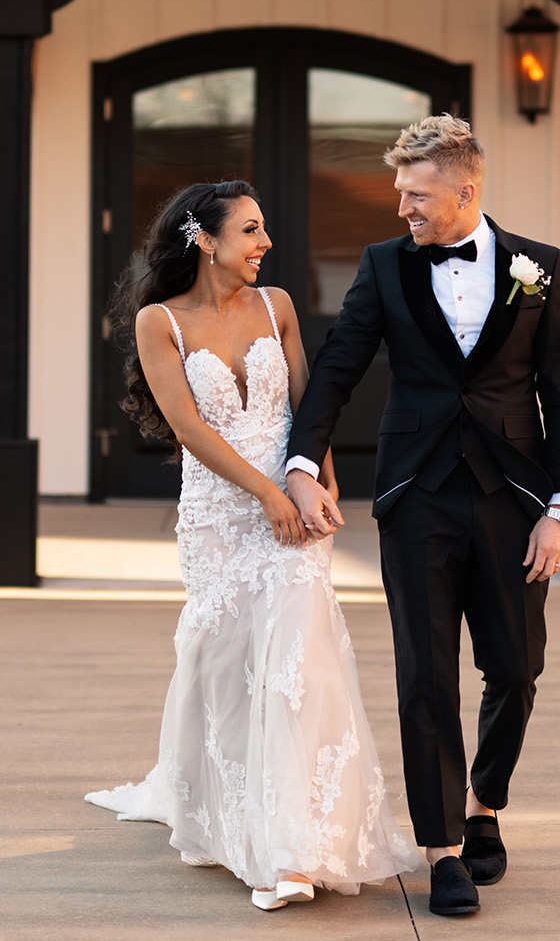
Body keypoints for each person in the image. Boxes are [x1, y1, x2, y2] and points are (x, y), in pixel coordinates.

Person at [86, 180, 420, 911]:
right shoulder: (159, 324)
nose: (265, 243)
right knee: (229, 663)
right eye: (250, 230)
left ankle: (293, 853)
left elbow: (310, 407)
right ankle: (234, 818)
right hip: (219, 515)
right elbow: (190, 430)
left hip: (292, 510)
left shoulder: (280, 308)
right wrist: (264, 494)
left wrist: (315, 487)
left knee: (297, 669)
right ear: (204, 240)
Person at [282, 115, 560, 919]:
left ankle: (487, 800)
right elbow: (339, 366)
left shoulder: (539, 268)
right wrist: (303, 462)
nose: (401, 209)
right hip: (415, 494)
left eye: (416, 195)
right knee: (425, 673)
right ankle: (443, 846)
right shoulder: (384, 268)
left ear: (465, 190)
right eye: (399, 192)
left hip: (516, 501)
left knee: (516, 669)